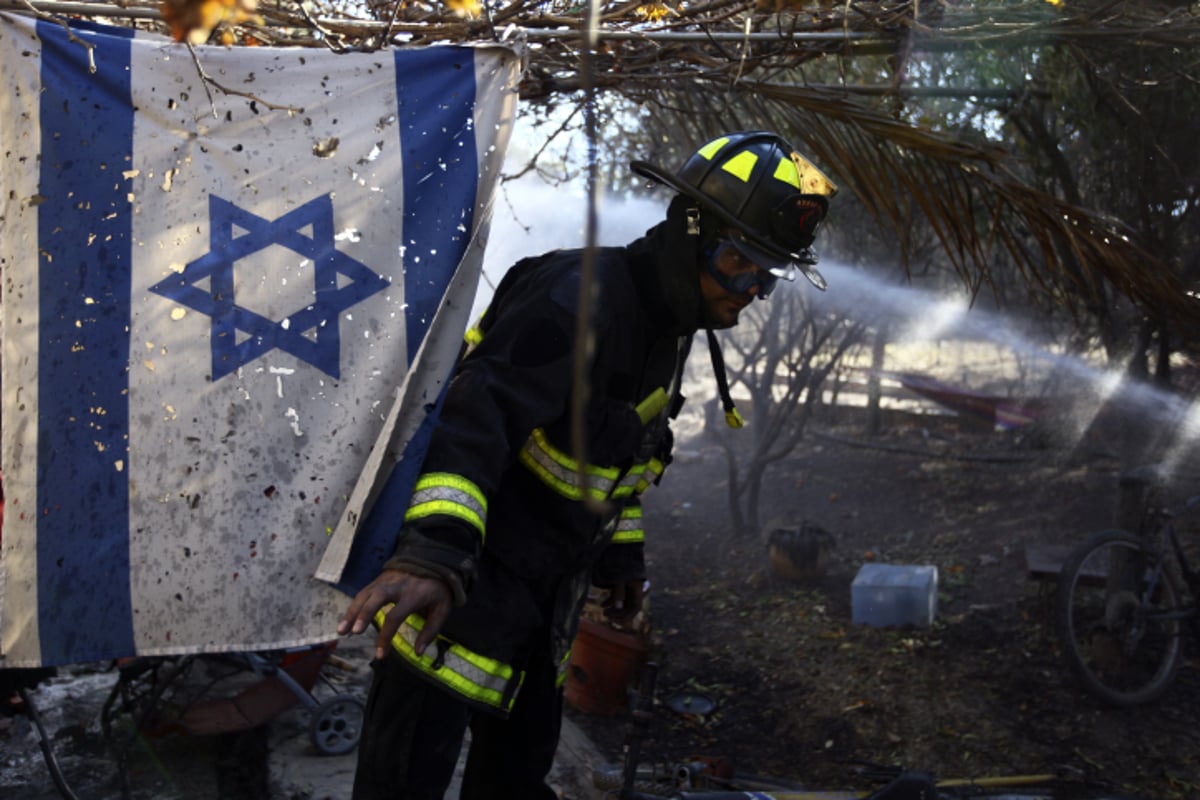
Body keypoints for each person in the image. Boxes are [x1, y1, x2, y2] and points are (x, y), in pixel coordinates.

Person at [337, 130, 838, 799]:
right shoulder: (578, 298)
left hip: (543, 614)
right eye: (738, 261)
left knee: (516, 784)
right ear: (691, 233)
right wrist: (432, 554)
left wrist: (620, 562)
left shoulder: (669, 327)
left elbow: (616, 460)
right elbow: (468, 428)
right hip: (456, 603)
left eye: (765, 276)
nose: (749, 289)